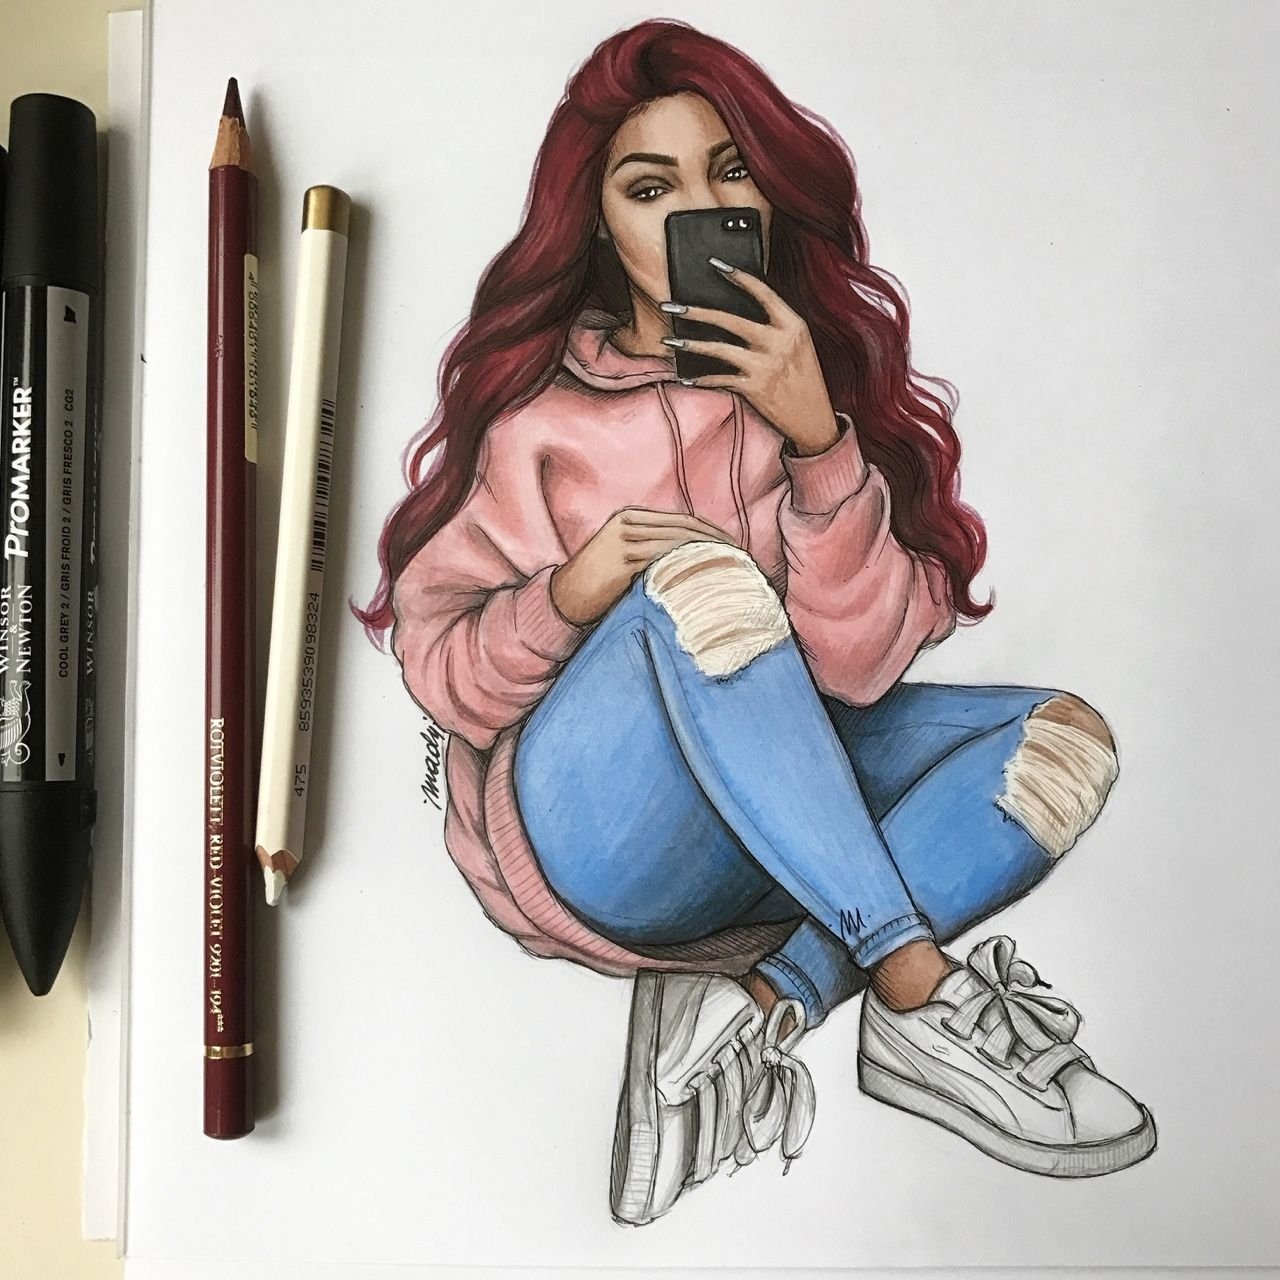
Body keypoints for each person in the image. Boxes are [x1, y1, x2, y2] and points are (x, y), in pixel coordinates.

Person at [359, 18, 1157, 1227]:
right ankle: (913, 983)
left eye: (729, 173)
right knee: (700, 580)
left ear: (770, 197)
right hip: (593, 833)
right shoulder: (538, 425)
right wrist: (572, 592)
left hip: (777, 830)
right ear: (596, 223)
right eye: (649, 188)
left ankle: (772, 999)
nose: (699, 211)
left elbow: (856, 670)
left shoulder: (808, 386)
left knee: (1062, 741)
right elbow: (441, 670)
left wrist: (818, 439)